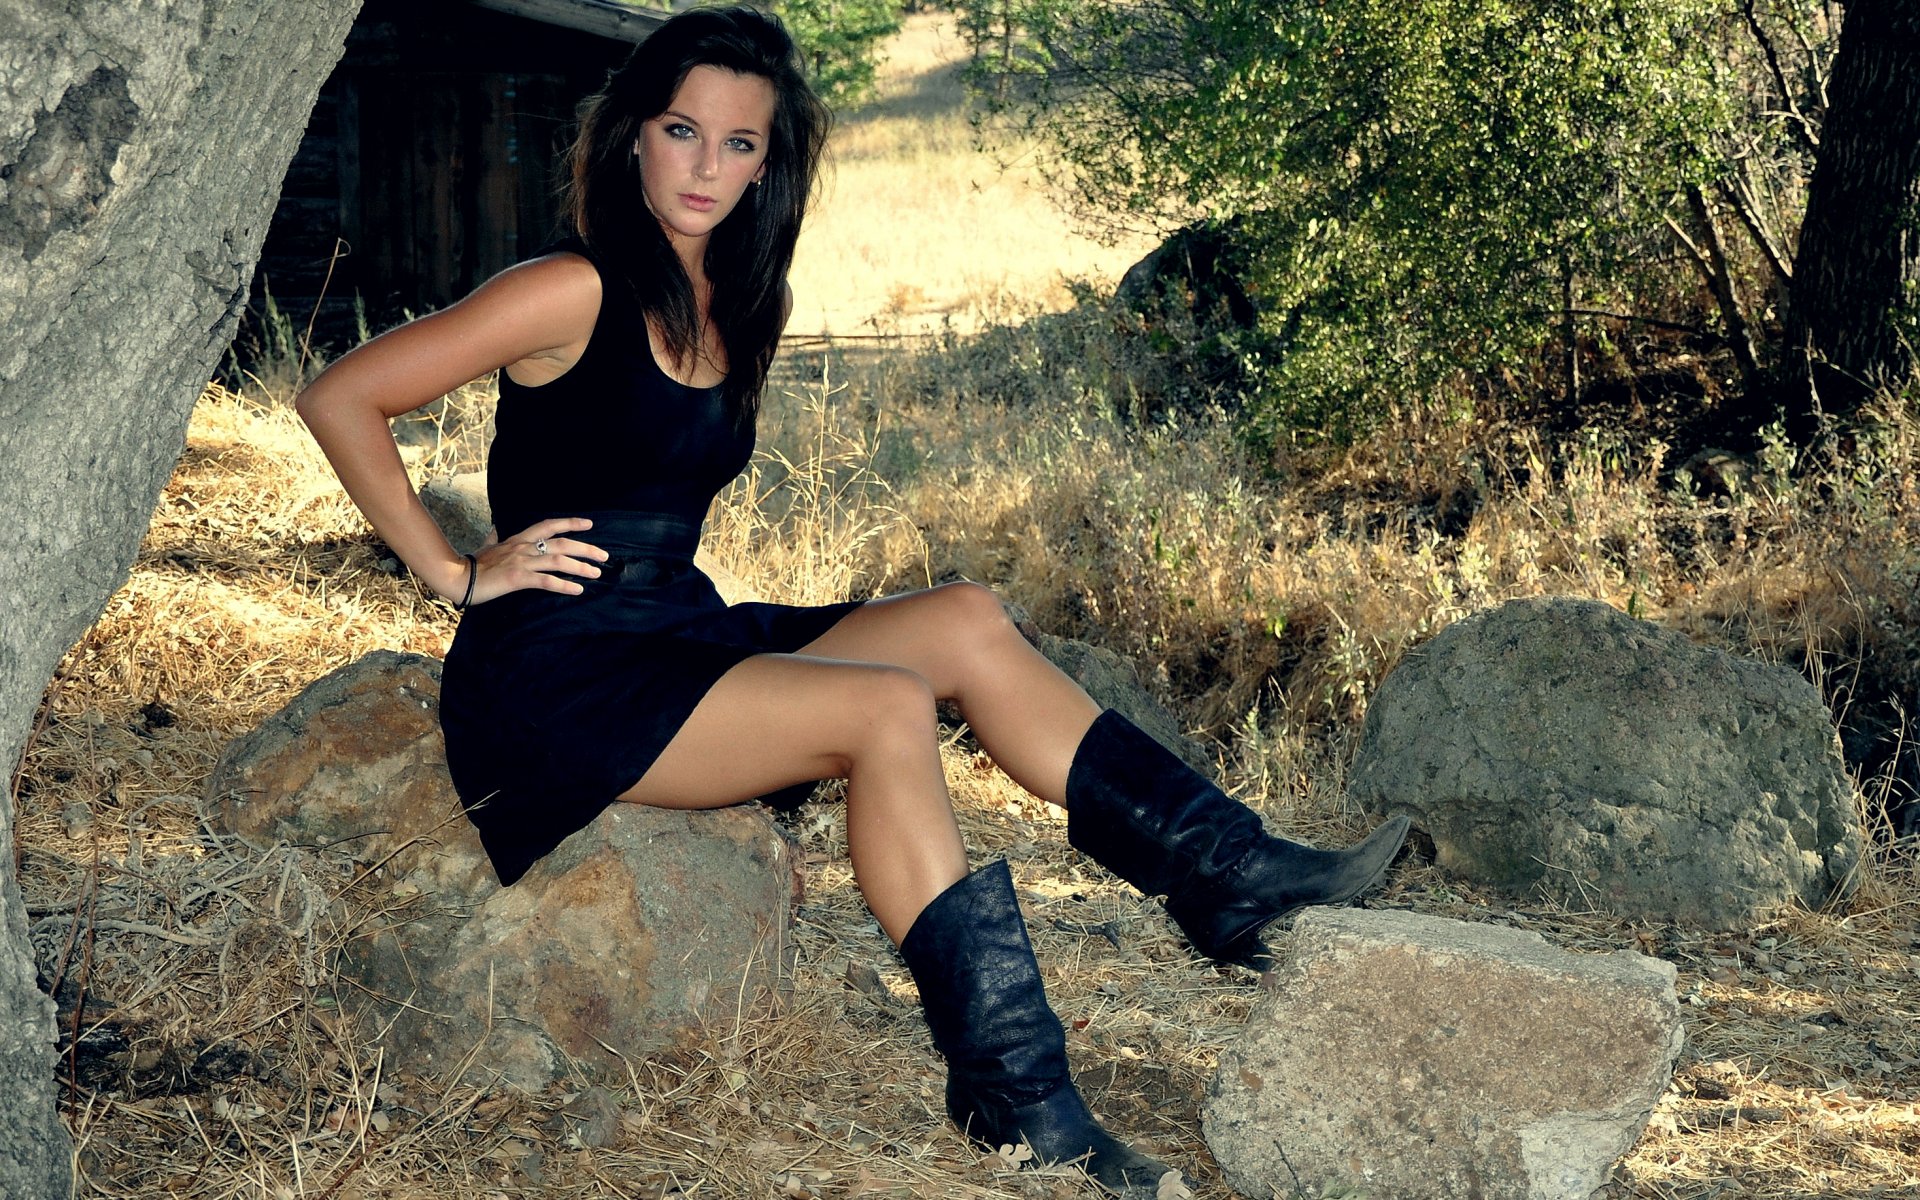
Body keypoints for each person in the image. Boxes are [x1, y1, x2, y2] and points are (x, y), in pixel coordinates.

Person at [294, 8, 1408, 1196]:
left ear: (771, 161)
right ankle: (1015, 1091)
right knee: (884, 709)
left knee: (968, 619)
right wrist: (456, 571)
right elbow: (343, 395)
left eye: (740, 144)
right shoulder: (569, 288)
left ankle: (1227, 875)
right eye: (682, 131)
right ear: (632, 139)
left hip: (679, 631)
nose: (706, 167)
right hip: (561, 681)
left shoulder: (738, 298)